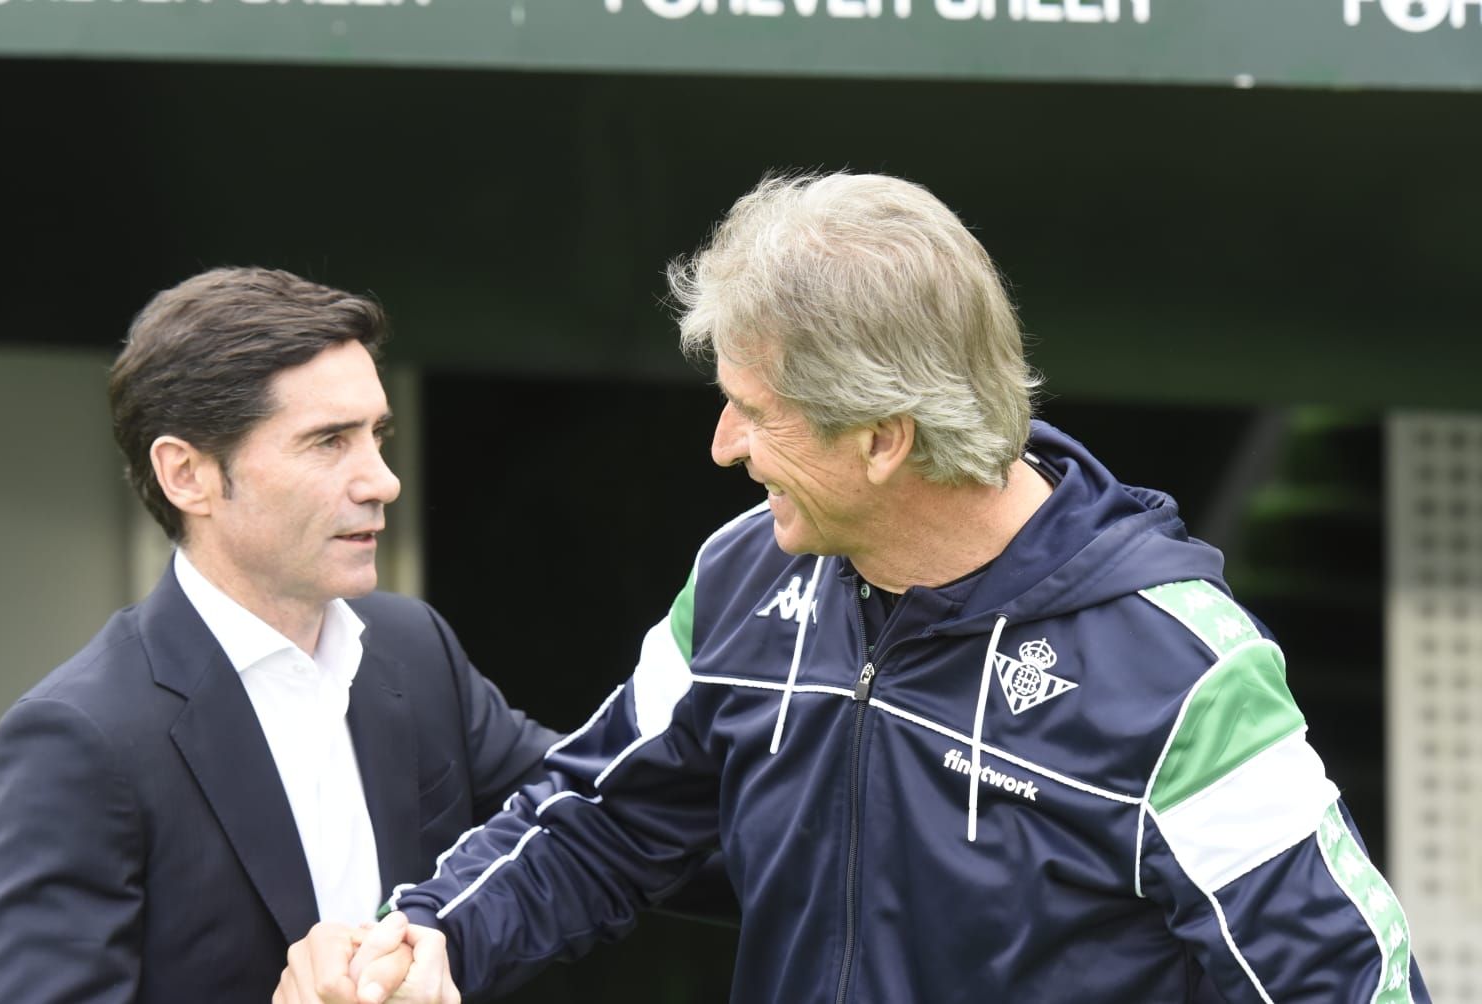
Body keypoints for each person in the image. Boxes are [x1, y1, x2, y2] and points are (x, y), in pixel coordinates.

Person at [283, 173, 1430, 1003]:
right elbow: (602, 816)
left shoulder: (1183, 674)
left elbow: (1346, 982)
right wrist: (425, 938)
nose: (723, 445)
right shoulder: (742, 572)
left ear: (884, 438)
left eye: (756, 411)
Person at [0, 267, 561, 1003]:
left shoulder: (413, 645)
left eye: (377, 435)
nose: (382, 480)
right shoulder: (80, 738)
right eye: (328, 442)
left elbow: (592, 817)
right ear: (187, 474)